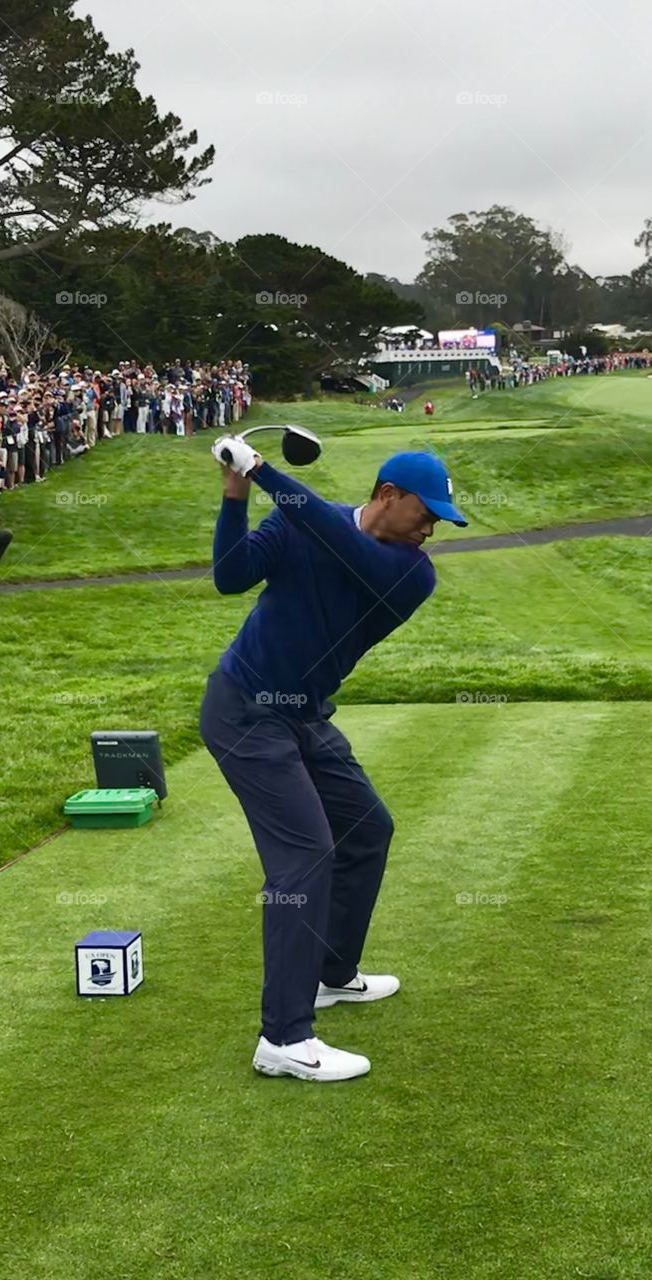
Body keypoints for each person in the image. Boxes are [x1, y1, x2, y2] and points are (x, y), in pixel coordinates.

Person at [200, 441, 468, 1083]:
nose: (432, 526)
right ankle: (284, 1040)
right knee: (305, 856)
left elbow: (334, 537)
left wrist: (262, 468)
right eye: (426, 511)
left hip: (303, 716)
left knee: (367, 829)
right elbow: (230, 575)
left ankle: (332, 974)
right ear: (386, 495)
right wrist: (236, 490)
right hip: (244, 711)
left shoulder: (411, 572)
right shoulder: (297, 521)